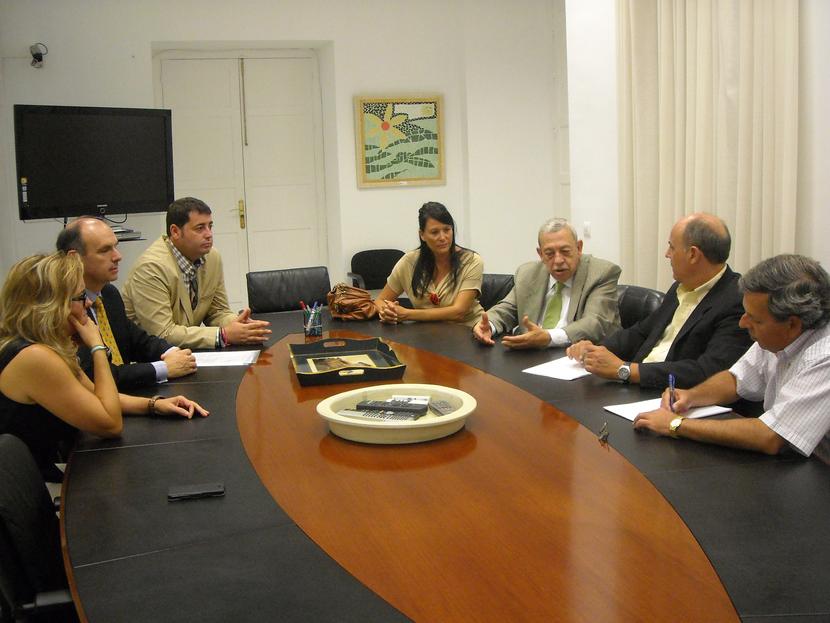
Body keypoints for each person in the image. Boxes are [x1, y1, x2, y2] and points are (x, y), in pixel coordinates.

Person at [0, 253, 209, 481]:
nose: (89, 303)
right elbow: (109, 423)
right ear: (53, 306)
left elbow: (95, 395)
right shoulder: (35, 358)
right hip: (37, 488)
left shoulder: (42, 346)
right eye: (80, 297)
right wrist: (97, 346)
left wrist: (154, 405)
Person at [634, 255, 830, 463]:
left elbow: (770, 437)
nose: (743, 323)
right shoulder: (778, 335)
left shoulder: (824, 356)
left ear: (792, 324)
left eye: (754, 319)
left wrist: (676, 425)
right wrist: (691, 396)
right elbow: (737, 379)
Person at [566, 213, 752, 389]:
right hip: (637, 385)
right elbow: (640, 333)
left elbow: (708, 371)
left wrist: (626, 370)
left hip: (672, 396)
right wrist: (595, 351)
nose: (666, 254)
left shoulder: (737, 300)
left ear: (693, 254)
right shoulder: (680, 287)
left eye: (672, 247)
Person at [56, 217, 197, 390]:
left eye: (116, 246)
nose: (117, 256)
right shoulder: (64, 308)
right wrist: (164, 368)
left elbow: (139, 341)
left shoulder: (109, 294)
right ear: (74, 258)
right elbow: (96, 375)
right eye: (105, 250)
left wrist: (173, 353)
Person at [122, 197, 271, 349]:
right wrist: (223, 335)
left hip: (187, 352)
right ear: (175, 232)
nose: (209, 234)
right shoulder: (151, 268)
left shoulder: (212, 257)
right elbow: (162, 333)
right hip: (149, 358)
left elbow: (217, 312)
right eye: (200, 228)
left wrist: (238, 324)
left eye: (210, 226)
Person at [473, 218, 621, 349]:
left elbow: (594, 323)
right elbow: (508, 309)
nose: (558, 260)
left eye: (565, 251)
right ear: (540, 254)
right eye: (549, 253)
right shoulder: (528, 273)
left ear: (579, 248)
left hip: (579, 358)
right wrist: (489, 325)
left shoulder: (601, 273)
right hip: (532, 356)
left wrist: (549, 337)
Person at [373, 202, 485, 326]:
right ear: (422, 235)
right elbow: (380, 300)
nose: (443, 237)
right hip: (427, 336)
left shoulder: (471, 261)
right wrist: (387, 312)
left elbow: (458, 312)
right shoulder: (409, 262)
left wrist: (406, 314)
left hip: (470, 333)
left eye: (447, 230)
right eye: (434, 232)